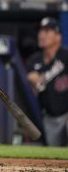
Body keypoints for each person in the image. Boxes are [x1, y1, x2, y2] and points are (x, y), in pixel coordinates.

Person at [26, 17, 68, 146]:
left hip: (66, 113)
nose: (41, 35)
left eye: (47, 31)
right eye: (40, 31)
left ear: (58, 36)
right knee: (54, 152)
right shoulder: (34, 60)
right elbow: (33, 86)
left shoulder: (66, 56)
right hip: (48, 115)